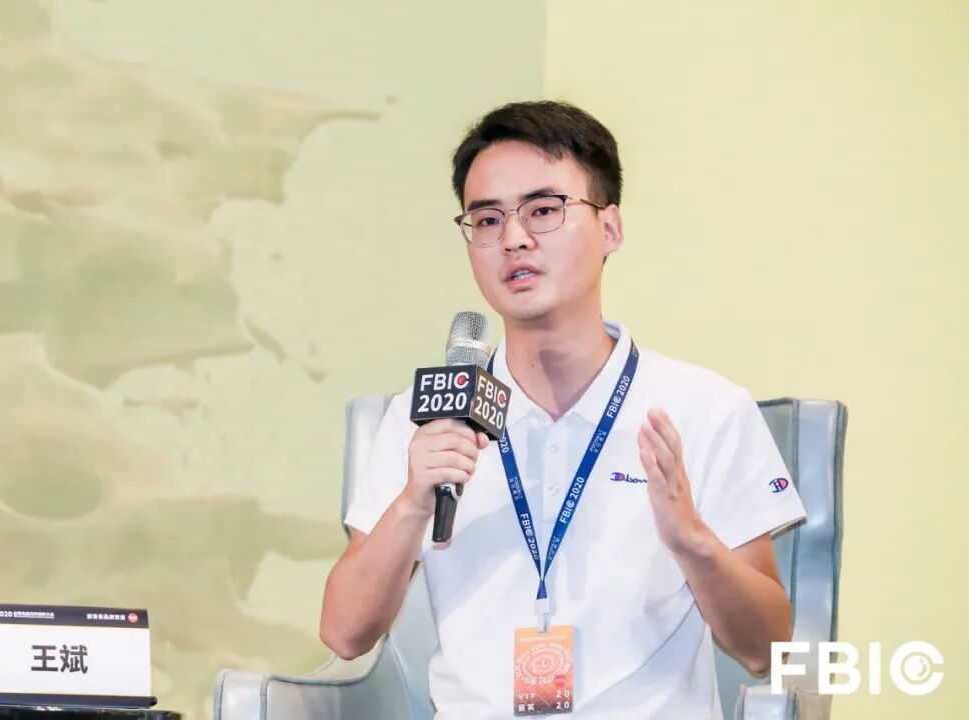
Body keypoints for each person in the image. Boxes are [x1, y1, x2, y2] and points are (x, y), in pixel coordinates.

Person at [320, 100, 806, 719]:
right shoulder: (430, 420)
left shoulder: (703, 409)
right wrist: (415, 500)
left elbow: (767, 650)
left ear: (611, 228)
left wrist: (693, 543)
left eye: (544, 210)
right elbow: (345, 635)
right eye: (486, 219)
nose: (513, 238)